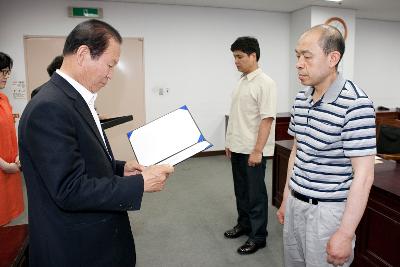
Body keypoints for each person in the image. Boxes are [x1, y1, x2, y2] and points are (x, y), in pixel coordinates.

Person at [18, 19, 174, 267]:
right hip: (75, 248)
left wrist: (120, 168)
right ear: (83, 54)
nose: (111, 75)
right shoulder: (50, 107)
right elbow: (68, 189)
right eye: (110, 65)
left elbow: (82, 156)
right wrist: (139, 184)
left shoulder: (74, 99)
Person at [276, 24, 376, 267]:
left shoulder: (356, 104)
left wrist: (345, 233)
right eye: (297, 56)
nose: (299, 63)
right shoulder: (301, 98)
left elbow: (363, 175)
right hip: (296, 205)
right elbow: (298, 151)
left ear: (333, 58)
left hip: (328, 214)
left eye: (307, 56)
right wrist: (288, 196)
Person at [224, 36, 277, 255]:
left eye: (239, 56)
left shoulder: (266, 83)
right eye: (234, 57)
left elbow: (267, 119)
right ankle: (244, 225)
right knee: (241, 191)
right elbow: (237, 116)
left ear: (253, 56)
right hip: (237, 147)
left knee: (255, 195)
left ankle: (258, 237)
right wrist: (229, 142)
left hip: (253, 151)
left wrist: (257, 151)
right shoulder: (242, 81)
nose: (235, 61)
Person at [0, 52, 24, 226]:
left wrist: (17, 156)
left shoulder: (4, 99)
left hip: (10, 168)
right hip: (3, 167)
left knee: (5, 221)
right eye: (3, 71)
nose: (6, 76)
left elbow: (9, 133)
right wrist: (3, 165)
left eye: (8, 72)